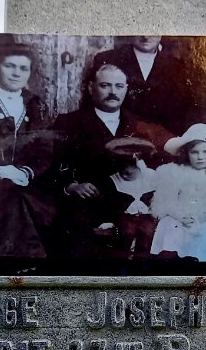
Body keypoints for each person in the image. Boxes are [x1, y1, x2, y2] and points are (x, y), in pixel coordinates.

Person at [52, 59, 171, 265]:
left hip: (131, 200)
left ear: (126, 89)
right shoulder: (69, 122)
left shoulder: (138, 124)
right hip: (90, 202)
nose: (112, 92)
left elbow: (154, 165)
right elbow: (55, 164)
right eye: (105, 85)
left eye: (118, 86)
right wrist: (71, 186)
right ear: (91, 88)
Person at [0, 42, 57, 271]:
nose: (16, 73)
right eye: (10, 66)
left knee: (25, 198)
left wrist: (25, 171)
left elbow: (44, 150)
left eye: (23, 68)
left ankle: (19, 263)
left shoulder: (34, 104)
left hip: (25, 180)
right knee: (12, 199)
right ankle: (24, 263)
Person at [149, 123, 206, 262]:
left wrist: (202, 218)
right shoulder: (176, 172)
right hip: (180, 217)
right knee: (169, 225)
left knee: (205, 234)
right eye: (194, 152)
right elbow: (165, 201)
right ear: (187, 153)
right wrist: (180, 216)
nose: (200, 157)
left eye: (205, 152)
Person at [90, 36, 188, 132]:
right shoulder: (109, 58)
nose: (145, 36)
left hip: (164, 139)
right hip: (119, 134)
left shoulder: (176, 66)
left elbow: (180, 111)